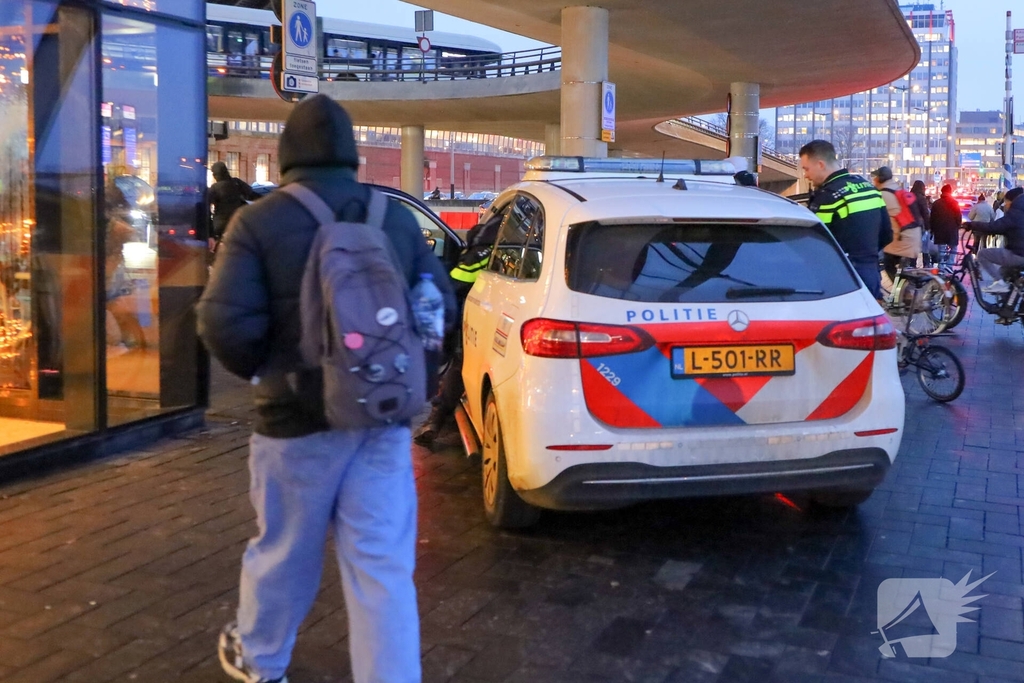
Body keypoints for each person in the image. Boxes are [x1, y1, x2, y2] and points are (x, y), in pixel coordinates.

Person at [197, 94, 455, 683]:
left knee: (285, 552)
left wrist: (271, 374)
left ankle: (261, 660)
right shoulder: (393, 218)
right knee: (382, 566)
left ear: (288, 153)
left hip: (295, 425)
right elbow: (437, 309)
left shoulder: (257, 221)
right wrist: (407, 377)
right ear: (350, 153)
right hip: (382, 421)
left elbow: (220, 323)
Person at [414, 210, 503, 449]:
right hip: (504, 319)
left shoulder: (481, 252)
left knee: (460, 362)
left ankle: (436, 420)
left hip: (484, 317)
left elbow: (456, 282)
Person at [799, 140, 891, 299]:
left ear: (820, 164)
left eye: (806, 169)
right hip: (871, 272)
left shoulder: (828, 197)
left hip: (842, 277)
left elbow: (814, 244)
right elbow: (887, 234)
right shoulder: (868, 188)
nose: (806, 175)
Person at [872, 166, 921, 283]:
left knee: (888, 265)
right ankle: (907, 289)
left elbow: (873, 218)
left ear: (879, 179)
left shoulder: (882, 195)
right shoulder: (897, 190)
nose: (873, 180)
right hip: (913, 236)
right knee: (904, 271)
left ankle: (904, 291)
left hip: (902, 239)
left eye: (875, 178)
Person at [973, 186, 1024, 294]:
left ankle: (1000, 283)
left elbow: (995, 227)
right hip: (1020, 253)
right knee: (1004, 272)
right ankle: (1008, 299)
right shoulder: (1021, 211)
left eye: (1006, 202)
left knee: (983, 254)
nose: (1005, 205)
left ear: (1012, 201)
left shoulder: (1015, 212)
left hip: (1018, 254)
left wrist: (972, 225)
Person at [207, 161, 258, 251]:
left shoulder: (214, 188)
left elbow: (206, 207)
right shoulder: (236, 183)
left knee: (216, 250)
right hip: (238, 222)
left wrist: (210, 233)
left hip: (220, 225)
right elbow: (253, 195)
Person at [929, 184, 963, 265]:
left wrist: (932, 230)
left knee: (941, 249)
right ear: (950, 192)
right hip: (952, 230)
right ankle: (950, 265)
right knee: (953, 248)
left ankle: (941, 265)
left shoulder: (936, 203)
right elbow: (958, 217)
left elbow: (932, 218)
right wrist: (958, 226)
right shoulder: (954, 203)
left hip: (939, 230)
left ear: (942, 192)